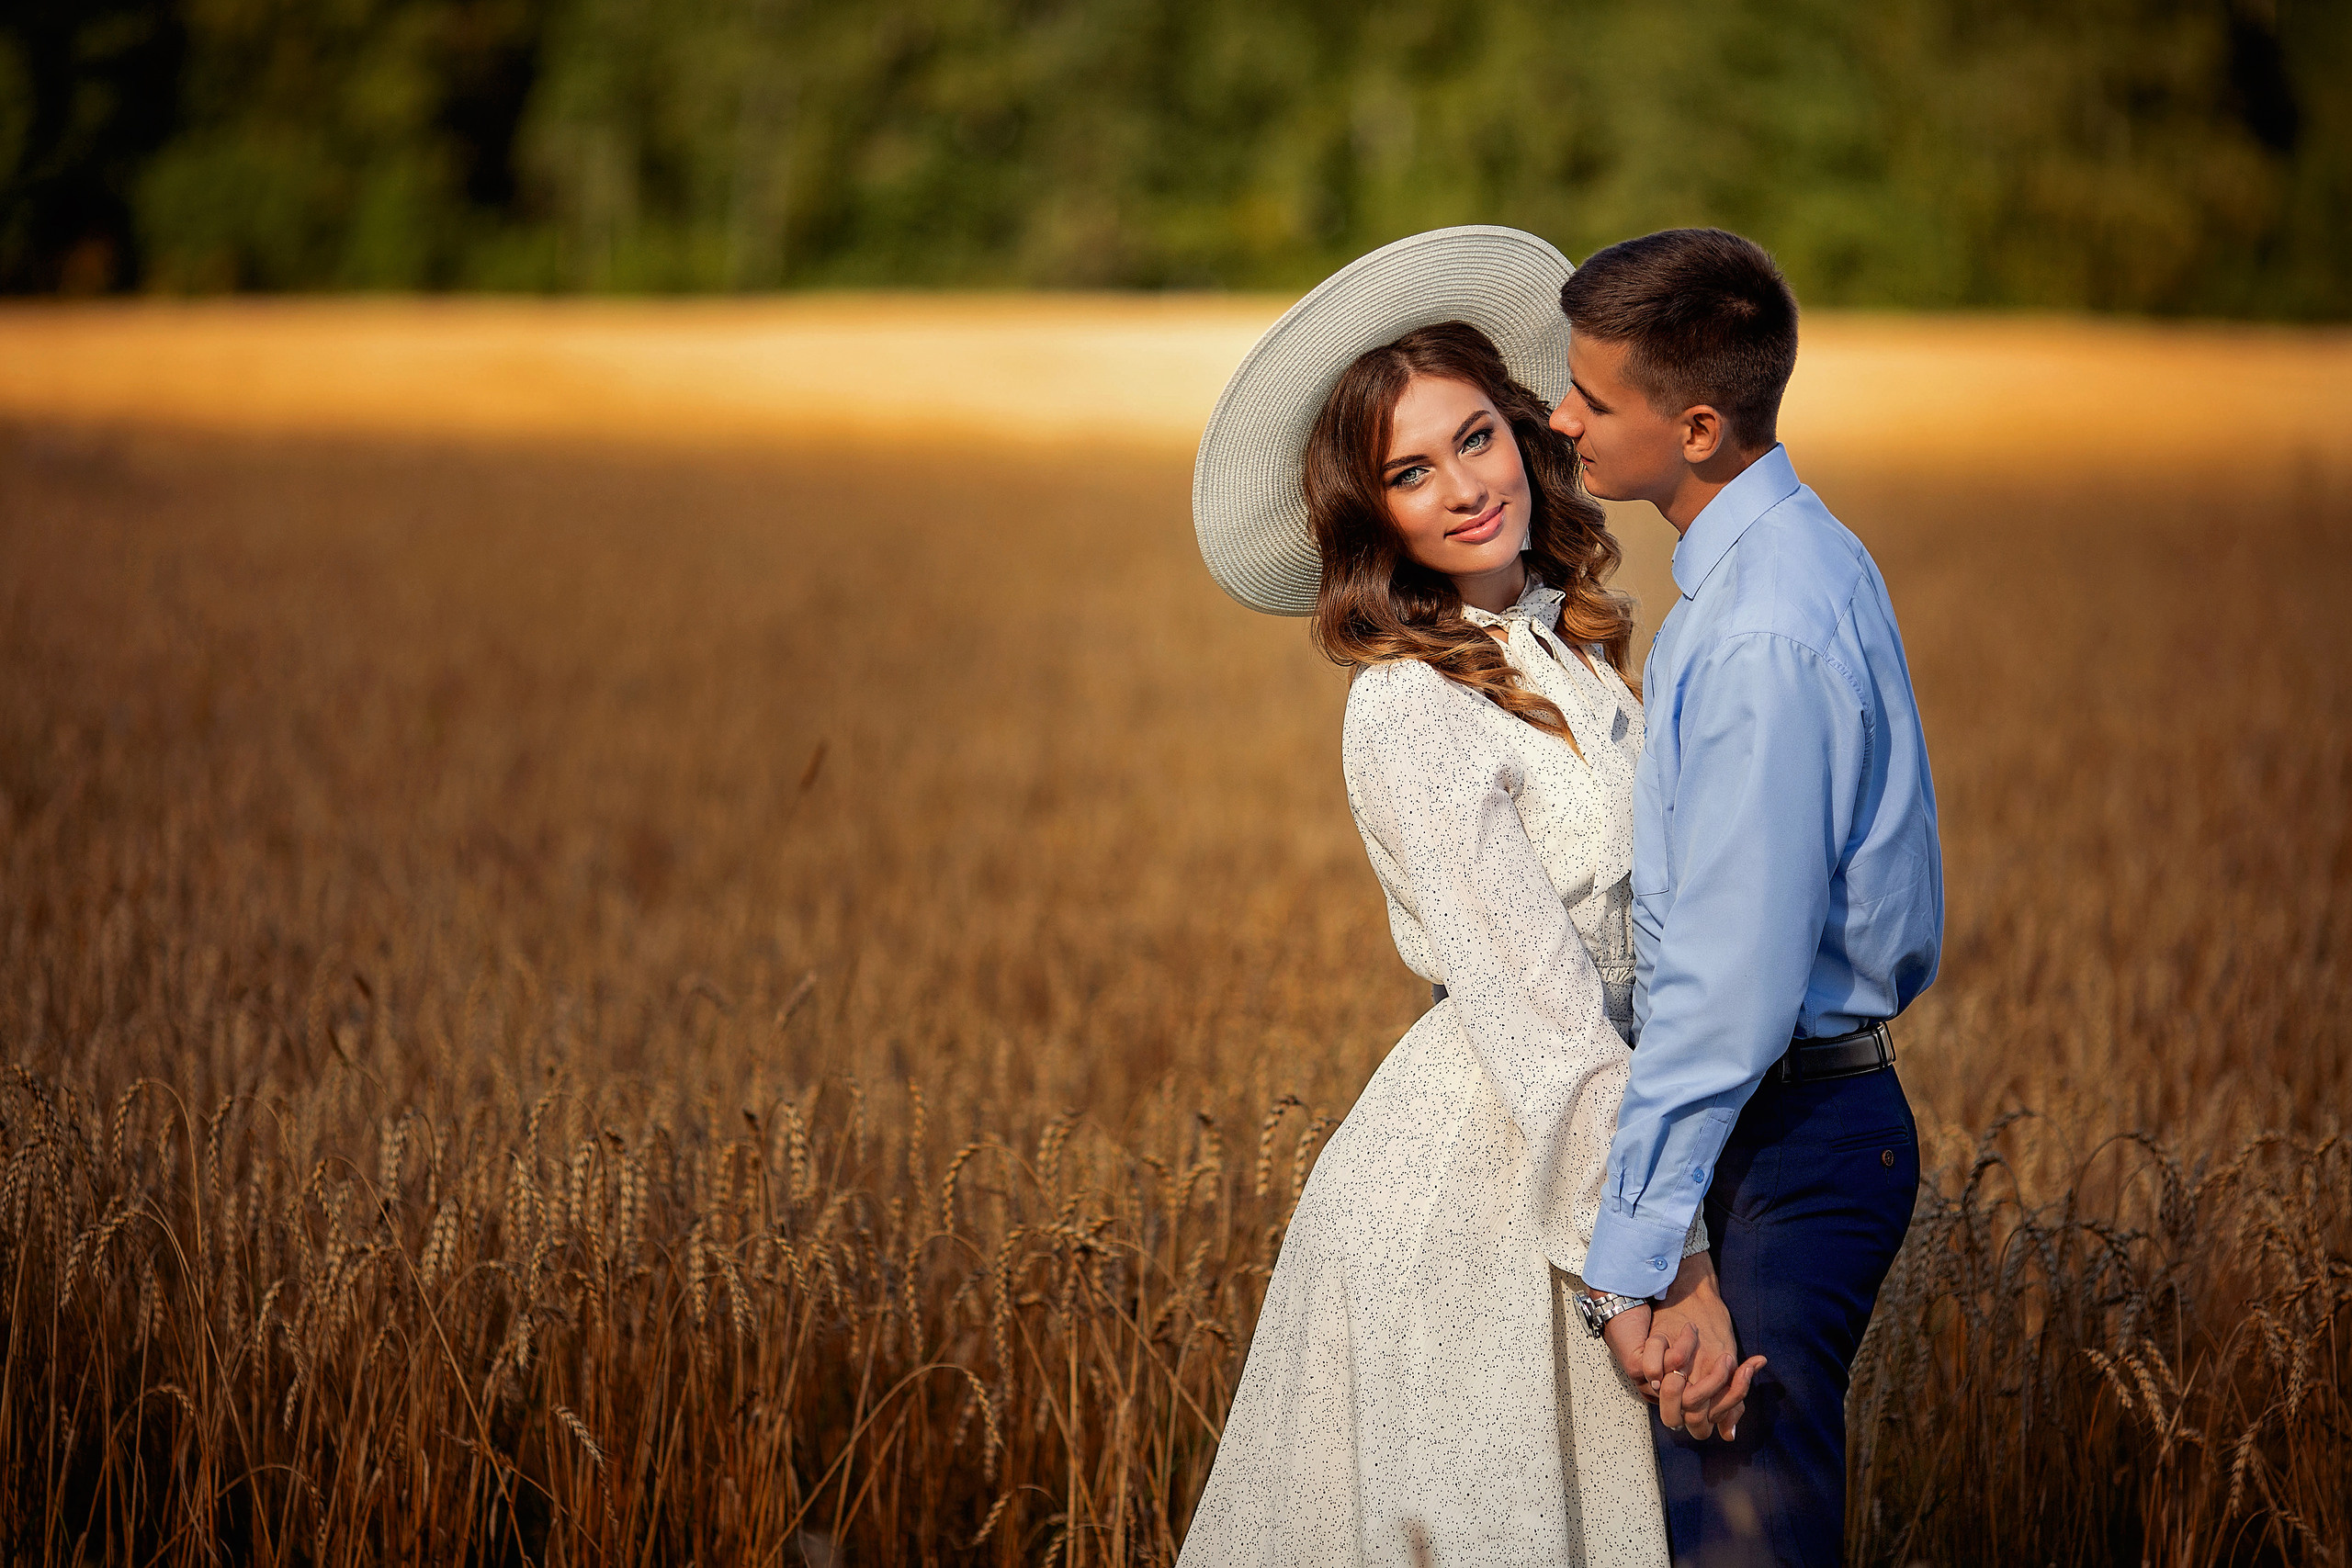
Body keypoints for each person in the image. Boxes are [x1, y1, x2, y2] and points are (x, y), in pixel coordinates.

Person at [1181, 226, 1758, 1568]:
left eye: (1476, 439)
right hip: (1478, 1187)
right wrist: (1649, 1267)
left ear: (1522, 432)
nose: (1460, 487)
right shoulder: (1406, 706)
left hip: (1582, 1149)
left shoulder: (1564, 643)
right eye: (1408, 471)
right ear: (1368, 510)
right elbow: (1542, 1010)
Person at [1553, 229, 1942, 1567]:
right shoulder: (1784, 560)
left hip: (1781, 1138)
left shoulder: (1764, 632)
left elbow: (1726, 992)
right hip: (1786, 1124)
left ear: (1698, 424)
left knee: (1742, 1548)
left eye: (1593, 400)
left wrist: (1637, 1261)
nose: (1560, 420)